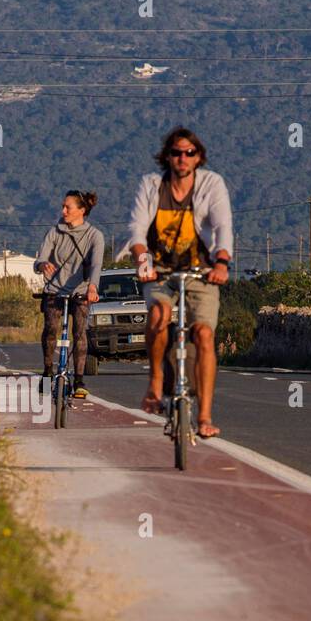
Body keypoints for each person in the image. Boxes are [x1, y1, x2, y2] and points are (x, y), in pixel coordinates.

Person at [121, 128, 233, 438]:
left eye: (189, 153)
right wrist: (143, 261)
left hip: (202, 270)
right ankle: (156, 381)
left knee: (204, 333)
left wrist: (221, 263)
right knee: (158, 315)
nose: (182, 158)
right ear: (166, 156)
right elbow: (137, 228)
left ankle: (205, 416)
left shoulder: (212, 184)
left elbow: (223, 226)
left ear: (199, 157)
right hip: (159, 270)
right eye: (176, 152)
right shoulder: (152, 185)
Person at [32, 190, 104, 398]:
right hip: (54, 290)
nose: (63, 210)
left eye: (68, 207)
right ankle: (47, 372)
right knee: (50, 329)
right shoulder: (54, 232)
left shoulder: (94, 236)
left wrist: (93, 287)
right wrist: (42, 264)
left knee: (80, 333)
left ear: (81, 211)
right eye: (63, 206)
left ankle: (80, 380)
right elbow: (40, 259)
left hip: (80, 292)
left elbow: (97, 264)